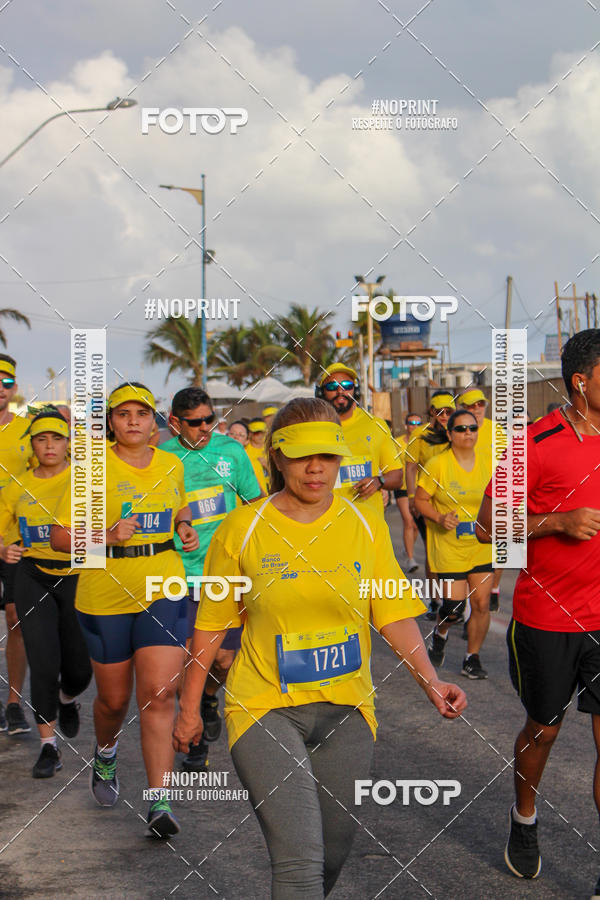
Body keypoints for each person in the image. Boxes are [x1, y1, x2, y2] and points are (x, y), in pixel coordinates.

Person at [173, 397, 467, 897]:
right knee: (299, 863)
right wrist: (188, 708)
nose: (316, 469)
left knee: (330, 856)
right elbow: (211, 625)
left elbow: (392, 609)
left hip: (349, 708)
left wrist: (431, 681)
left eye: (328, 456)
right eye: (302, 456)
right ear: (277, 458)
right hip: (265, 707)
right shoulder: (240, 530)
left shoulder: (363, 524)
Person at [476, 329, 600, 889]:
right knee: (544, 730)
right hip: (547, 617)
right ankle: (524, 818)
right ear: (582, 381)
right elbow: (487, 527)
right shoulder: (533, 443)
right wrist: (558, 522)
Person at [51, 382, 199, 838]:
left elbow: (180, 509)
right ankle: (106, 753)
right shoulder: (92, 468)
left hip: (164, 581)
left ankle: (159, 802)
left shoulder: (172, 463)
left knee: (158, 693)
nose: (133, 420)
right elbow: (58, 538)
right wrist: (105, 538)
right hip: (104, 588)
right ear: (110, 421)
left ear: (153, 418)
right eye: (123, 413)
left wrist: (185, 527)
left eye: (141, 412)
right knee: (113, 700)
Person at [162, 387, 262, 772]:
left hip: (228, 572)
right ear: (174, 423)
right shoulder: (163, 458)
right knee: (191, 653)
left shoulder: (232, 452)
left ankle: (207, 698)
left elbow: (254, 503)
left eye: (209, 419)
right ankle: (195, 740)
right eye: (195, 422)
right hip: (181, 572)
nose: (205, 428)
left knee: (222, 659)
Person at [0, 408, 91, 777]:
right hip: (31, 576)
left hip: (77, 578)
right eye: (42, 439)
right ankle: (48, 747)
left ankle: (67, 699)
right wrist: (3, 550)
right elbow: (4, 532)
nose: (49, 446)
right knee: (42, 661)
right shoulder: (15, 486)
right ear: (32, 445)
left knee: (79, 669)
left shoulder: (84, 482)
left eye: (57, 438)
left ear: (68, 442)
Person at [415, 409, 493, 680]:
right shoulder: (438, 464)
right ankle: (441, 632)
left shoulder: (489, 462)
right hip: (449, 546)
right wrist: (439, 517)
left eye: (472, 428)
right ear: (449, 434)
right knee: (454, 609)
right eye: (460, 429)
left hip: (481, 543)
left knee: (482, 604)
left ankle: (472, 657)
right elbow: (420, 501)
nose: (468, 433)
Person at [317, 364, 402, 517]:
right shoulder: (313, 428)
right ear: (321, 392)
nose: (340, 391)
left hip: (369, 524)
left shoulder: (376, 425)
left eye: (347, 385)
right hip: (327, 522)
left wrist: (379, 481)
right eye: (331, 386)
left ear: (355, 390)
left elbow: (397, 476)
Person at [0, 354, 32, 735]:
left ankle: (13, 703)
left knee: (15, 620)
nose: (0, 387)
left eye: (6, 381)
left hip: (16, 540)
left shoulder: (29, 431)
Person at [405, 391, 456, 620]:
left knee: (455, 550)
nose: (444, 416)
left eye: (449, 411)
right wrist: (411, 496)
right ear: (432, 412)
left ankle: (456, 600)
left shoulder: (458, 433)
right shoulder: (420, 435)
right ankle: (436, 598)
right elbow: (410, 467)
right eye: (439, 411)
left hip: (455, 503)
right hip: (427, 503)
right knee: (432, 551)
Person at [456, 388, 505, 612]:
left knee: (498, 547)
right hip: (462, 500)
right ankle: (467, 607)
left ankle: (492, 588)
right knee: (467, 555)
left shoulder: (497, 431)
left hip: (493, 499)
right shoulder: (458, 431)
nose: (477, 409)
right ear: (462, 408)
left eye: (480, 405)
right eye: (471, 405)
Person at [392, 413, 422, 572]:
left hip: (420, 487)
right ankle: (410, 558)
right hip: (402, 486)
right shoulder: (397, 443)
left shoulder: (424, 441)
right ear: (406, 425)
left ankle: (406, 549)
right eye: (411, 423)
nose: (414, 426)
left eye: (418, 423)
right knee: (408, 521)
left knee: (416, 525)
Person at [246, 419, 269, 493]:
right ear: (250, 434)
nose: (260, 436)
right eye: (257, 433)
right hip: (254, 493)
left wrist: (267, 466)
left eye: (262, 432)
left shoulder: (271, 448)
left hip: (272, 491)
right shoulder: (244, 450)